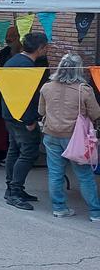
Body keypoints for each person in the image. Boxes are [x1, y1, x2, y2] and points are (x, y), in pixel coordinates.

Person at [39, 54, 100, 221]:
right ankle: (95, 212)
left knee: (55, 173)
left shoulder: (47, 87)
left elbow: (41, 112)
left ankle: (59, 208)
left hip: (51, 134)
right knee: (85, 175)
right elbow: (96, 113)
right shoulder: (84, 89)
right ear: (78, 69)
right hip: (76, 138)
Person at [1, 32, 50, 210]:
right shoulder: (26, 66)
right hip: (21, 116)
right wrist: (29, 119)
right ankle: (15, 191)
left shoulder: (12, 61)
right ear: (40, 48)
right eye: (46, 47)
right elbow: (25, 96)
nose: (47, 50)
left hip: (10, 113)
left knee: (14, 150)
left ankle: (12, 188)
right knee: (29, 152)